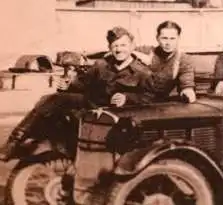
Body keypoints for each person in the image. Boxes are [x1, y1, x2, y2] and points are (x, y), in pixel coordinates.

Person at [0, 26, 152, 161]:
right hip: (91, 106)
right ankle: (15, 141)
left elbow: (150, 99)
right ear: (110, 47)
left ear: (132, 46)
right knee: (52, 100)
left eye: (123, 45)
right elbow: (81, 86)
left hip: (119, 118)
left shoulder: (142, 72)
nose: (119, 49)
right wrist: (67, 85)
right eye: (115, 45)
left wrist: (128, 98)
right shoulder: (101, 65)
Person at [144, 21, 196, 103]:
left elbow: (187, 81)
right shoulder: (146, 52)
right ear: (157, 38)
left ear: (178, 38)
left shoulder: (183, 59)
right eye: (164, 38)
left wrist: (188, 91)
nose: (168, 43)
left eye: (172, 38)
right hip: (138, 101)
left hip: (163, 103)